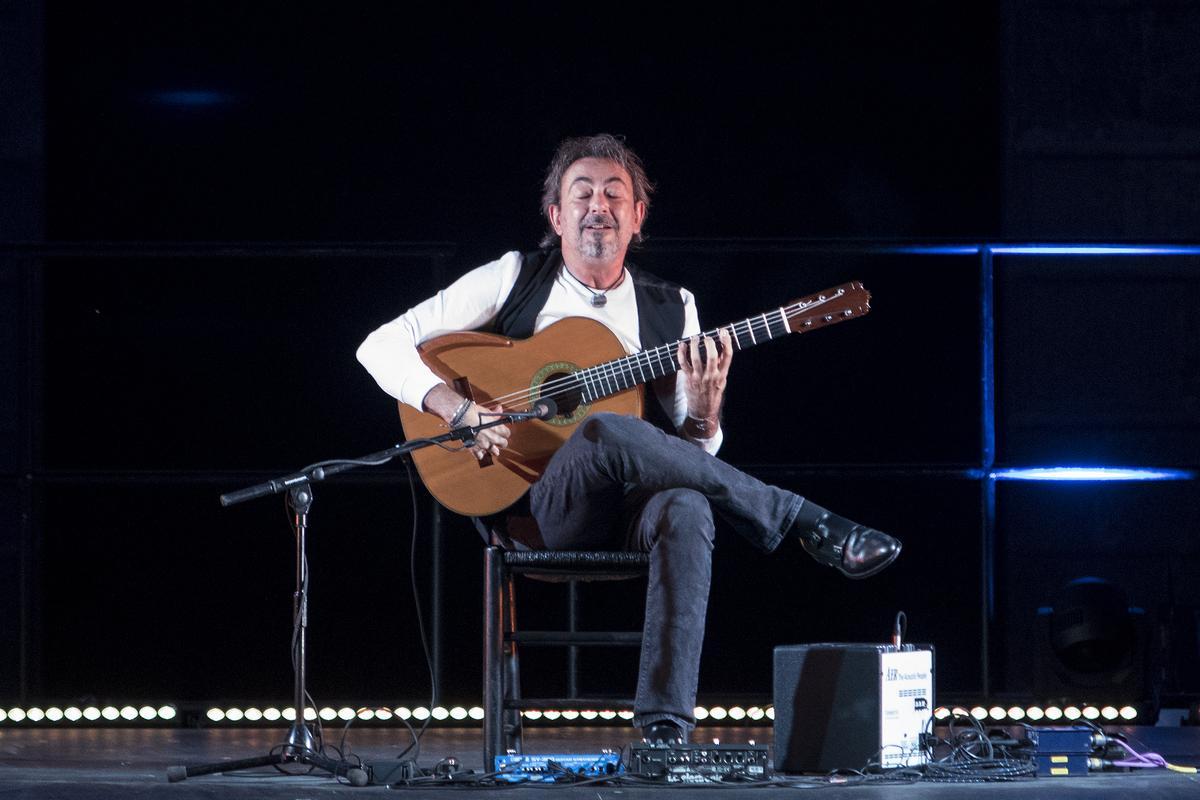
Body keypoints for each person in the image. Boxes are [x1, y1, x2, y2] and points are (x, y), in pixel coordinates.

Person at [357, 133, 901, 744]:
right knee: (602, 428)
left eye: (615, 193)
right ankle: (799, 519)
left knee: (689, 503)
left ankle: (665, 733)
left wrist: (704, 416)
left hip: (627, 512)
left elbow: (691, 461)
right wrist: (456, 408)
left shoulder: (673, 309)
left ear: (638, 216)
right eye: (582, 192)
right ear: (556, 215)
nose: (599, 204)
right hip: (535, 508)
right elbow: (376, 345)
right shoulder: (514, 277)